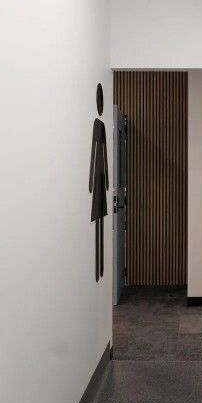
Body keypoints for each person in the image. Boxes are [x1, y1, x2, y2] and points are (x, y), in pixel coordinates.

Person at [89, 84, 109, 281]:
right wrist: (90, 182)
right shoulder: (97, 124)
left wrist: (109, 180)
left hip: (100, 181)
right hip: (97, 181)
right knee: (98, 218)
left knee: (101, 218)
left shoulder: (101, 124)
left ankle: (101, 269)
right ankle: (98, 270)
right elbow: (95, 153)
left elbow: (102, 153)